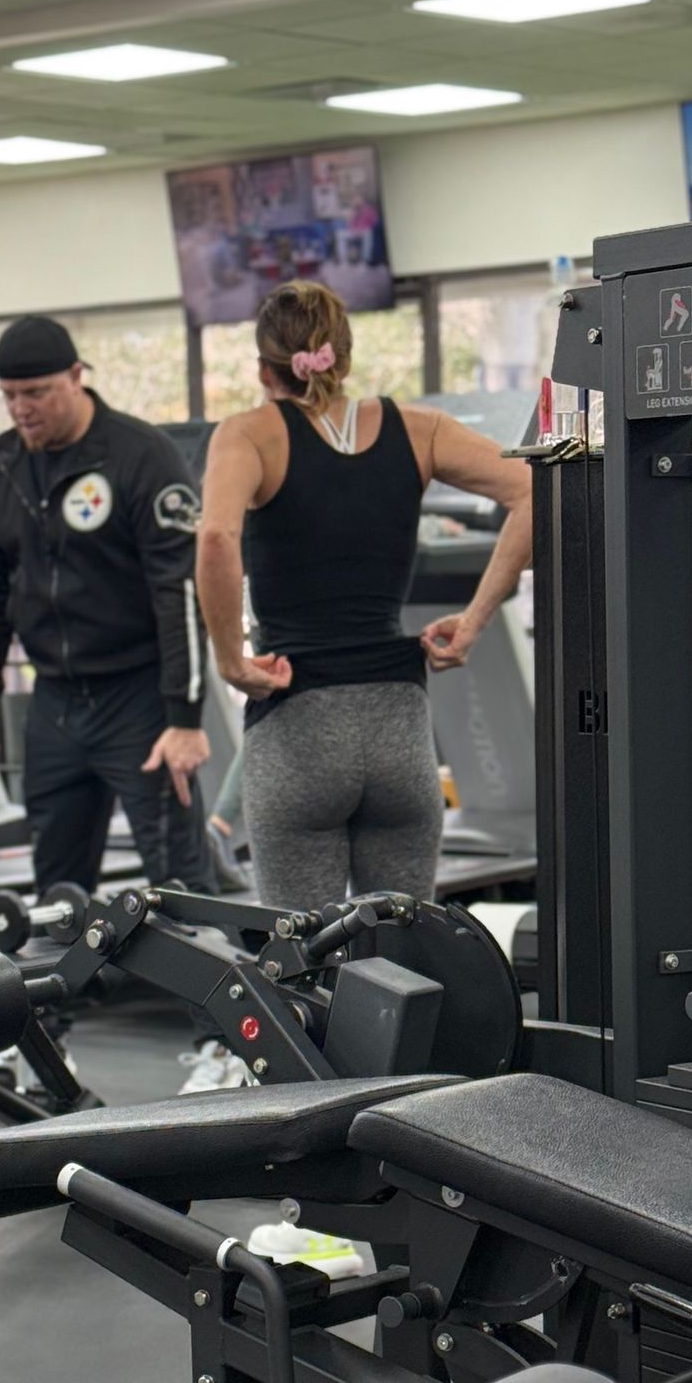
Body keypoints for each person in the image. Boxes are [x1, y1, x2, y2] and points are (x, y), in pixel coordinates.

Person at [193, 278, 531, 916]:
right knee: (403, 960)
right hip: (400, 734)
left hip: (298, 732)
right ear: (342, 358)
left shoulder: (246, 435)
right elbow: (535, 491)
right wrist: (475, 620)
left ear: (265, 368)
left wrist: (230, 660)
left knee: (308, 965)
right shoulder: (420, 428)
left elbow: (214, 537)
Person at [0, 316, 210, 902]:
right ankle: (66, 998)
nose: (22, 409)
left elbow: (180, 593)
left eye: (37, 393)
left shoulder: (142, 456)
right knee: (58, 900)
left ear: (76, 377)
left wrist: (186, 718)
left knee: (181, 889)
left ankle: (209, 992)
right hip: (56, 706)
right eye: (11, 396)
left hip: (139, 702)